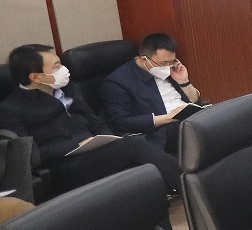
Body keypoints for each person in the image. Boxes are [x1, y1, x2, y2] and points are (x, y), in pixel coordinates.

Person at [0, 44, 182, 196]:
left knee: (140, 163)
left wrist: (109, 139)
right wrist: (76, 145)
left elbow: (95, 122)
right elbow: (27, 156)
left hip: (94, 151)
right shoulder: (11, 109)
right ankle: (189, 188)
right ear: (35, 77)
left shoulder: (68, 89)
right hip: (63, 167)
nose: (64, 69)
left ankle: (161, 218)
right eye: (56, 66)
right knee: (135, 146)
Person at [100, 33, 206, 152]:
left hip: (189, 118)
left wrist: (184, 81)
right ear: (144, 59)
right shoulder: (117, 81)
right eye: (164, 63)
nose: (168, 67)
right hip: (161, 132)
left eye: (171, 62)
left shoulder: (172, 69)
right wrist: (169, 117)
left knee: (218, 117)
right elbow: (120, 122)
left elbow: (195, 100)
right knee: (199, 131)